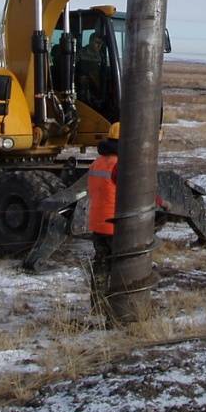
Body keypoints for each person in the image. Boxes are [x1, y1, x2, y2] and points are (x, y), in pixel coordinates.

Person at [87, 122, 120, 304]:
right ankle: (119, 305)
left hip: (97, 223)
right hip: (116, 225)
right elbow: (138, 191)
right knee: (122, 266)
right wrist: (161, 203)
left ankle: (97, 303)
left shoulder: (96, 163)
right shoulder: (119, 165)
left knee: (100, 264)